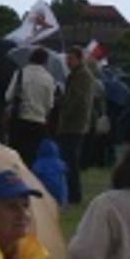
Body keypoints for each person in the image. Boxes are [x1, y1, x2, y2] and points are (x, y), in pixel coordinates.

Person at [56, 46, 97, 203]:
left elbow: (78, 100)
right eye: (67, 58)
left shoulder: (82, 76)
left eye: (71, 58)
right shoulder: (76, 74)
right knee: (69, 158)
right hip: (72, 123)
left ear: (80, 59)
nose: (68, 61)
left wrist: (65, 111)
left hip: (74, 124)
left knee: (71, 160)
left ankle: (74, 194)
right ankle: (71, 193)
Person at [5, 47, 57, 165]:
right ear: (45, 61)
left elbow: (8, 96)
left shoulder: (20, 73)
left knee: (16, 155)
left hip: (19, 119)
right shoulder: (49, 78)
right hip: (38, 122)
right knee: (32, 156)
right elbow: (49, 104)